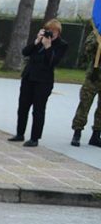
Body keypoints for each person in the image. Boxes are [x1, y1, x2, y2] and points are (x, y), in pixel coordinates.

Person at [7, 19, 69, 147]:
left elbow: (52, 61)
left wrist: (48, 46)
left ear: (58, 32)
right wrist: (36, 42)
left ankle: (35, 138)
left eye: (54, 31)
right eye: (49, 30)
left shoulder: (61, 45)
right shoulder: (40, 41)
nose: (51, 33)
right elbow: (25, 52)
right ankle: (20, 133)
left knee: (38, 110)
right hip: (29, 77)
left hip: (43, 81)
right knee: (23, 107)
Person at [71, 27, 101, 147]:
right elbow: (87, 49)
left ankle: (96, 135)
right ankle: (77, 132)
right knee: (84, 104)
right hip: (93, 75)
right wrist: (97, 42)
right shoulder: (96, 31)